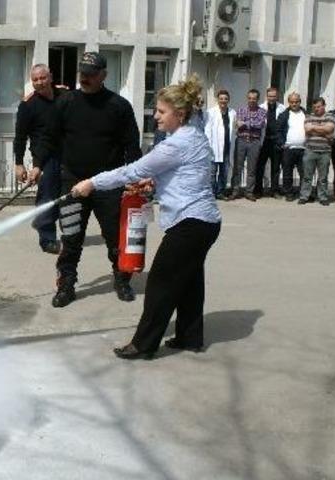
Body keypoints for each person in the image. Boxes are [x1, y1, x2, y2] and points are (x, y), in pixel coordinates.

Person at [69, 74, 221, 359]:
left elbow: (132, 171)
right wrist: (154, 182)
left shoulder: (175, 144)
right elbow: (184, 173)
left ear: (180, 114)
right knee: (189, 281)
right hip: (206, 222)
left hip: (190, 223)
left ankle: (143, 344)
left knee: (161, 283)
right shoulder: (194, 134)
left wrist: (92, 183)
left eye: (162, 111)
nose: (156, 116)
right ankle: (190, 337)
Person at [29, 51, 142, 308]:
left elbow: (132, 146)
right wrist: (37, 165)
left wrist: (134, 178)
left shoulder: (119, 106)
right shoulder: (66, 103)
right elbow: (48, 138)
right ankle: (66, 285)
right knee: (71, 238)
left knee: (114, 237)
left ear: (104, 75)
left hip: (109, 185)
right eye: (82, 73)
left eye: (91, 74)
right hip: (72, 183)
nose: (85, 78)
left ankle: (122, 279)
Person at [14, 63, 65, 254]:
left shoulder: (65, 96)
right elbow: (20, 137)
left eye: (43, 78)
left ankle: (63, 230)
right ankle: (47, 239)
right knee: (48, 196)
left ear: (50, 77)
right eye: (35, 79)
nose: (39, 82)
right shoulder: (28, 106)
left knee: (69, 196)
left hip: (68, 154)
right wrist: (19, 164)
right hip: (45, 157)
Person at [230, 89, 267, 201]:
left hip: (254, 142)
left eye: (254, 98)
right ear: (247, 98)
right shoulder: (241, 110)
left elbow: (259, 124)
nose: (251, 100)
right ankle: (235, 191)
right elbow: (237, 124)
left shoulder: (262, 111)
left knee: (252, 169)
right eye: (250, 98)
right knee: (237, 167)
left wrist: (245, 123)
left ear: (258, 99)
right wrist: (248, 124)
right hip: (241, 140)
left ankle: (249, 192)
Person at [299, 97, 335, 205]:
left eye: (319, 106)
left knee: (323, 177)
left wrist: (314, 128)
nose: (316, 109)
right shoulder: (308, 117)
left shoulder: (331, 116)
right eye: (314, 107)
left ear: (324, 106)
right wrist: (324, 131)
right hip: (310, 150)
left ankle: (323, 197)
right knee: (307, 176)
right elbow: (307, 129)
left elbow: (329, 129)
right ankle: (304, 196)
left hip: (325, 151)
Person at [204, 89, 236, 200]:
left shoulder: (232, 112)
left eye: (225, 99)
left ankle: (220, 192)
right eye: (221, 98)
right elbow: (208, 130)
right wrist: (208, 145)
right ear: (217, 100)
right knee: (212, 172)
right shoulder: (211, 112)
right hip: (214, 147)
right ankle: (211, 193)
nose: (223, 101)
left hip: (227, 147)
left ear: (228, 100)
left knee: (224, 172)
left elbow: (234, 128)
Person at [275, 92, 306, 201]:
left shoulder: (306, 114)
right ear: (289, 102)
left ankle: (303, 193)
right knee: (287, 172)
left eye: (296, 102)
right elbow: (278, 130)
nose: (294, 104)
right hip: (288, 149)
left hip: (303, 149)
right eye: (292, 102)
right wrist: (282, 143)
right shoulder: (284, 115)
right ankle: (288, 193)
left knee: (304, 173)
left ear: (300, 102)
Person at [257, 87, 287, 197]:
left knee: (275, 167)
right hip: (264, 140)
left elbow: (285, 126)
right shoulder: (261, 108)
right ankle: (258, 190)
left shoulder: (282, 108)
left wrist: (283, 141)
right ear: (267, 96)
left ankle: (274, 190)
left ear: (277, 96)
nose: (272, 98)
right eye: (270, 96)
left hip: (276, 141)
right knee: (260, 166)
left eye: (274, 96)